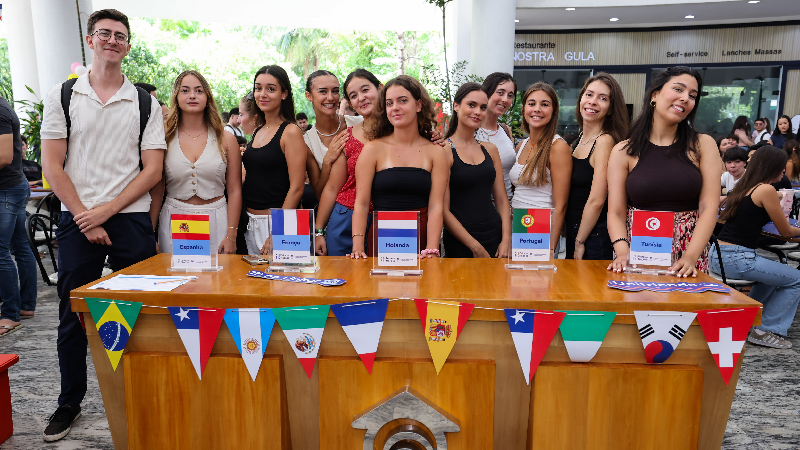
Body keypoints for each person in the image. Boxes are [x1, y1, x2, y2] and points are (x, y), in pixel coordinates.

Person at [40, 9, 166, 441]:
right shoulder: (62, 96)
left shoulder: (145, 102)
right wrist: (84, 215)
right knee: (73, 314)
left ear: (127, 47)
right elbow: (52, 167)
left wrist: (106, 211)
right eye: (105, 34)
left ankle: (145, 392)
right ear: (90, 41)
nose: (113, 41)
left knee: (145, 312)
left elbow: (151, 170)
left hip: (128, 218)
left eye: (121, 36)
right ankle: (68, 401)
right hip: (79, 217)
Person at [607, 66, 720, 277]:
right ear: (655, 95)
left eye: (692, 95)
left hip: (688, 254)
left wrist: (690, 256)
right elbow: (615, 212)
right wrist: (622, 251)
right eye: (678, 89)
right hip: (636, 252)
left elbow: (708, 208)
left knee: (685, 310)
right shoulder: (623, 151)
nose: (686, 98)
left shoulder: (703, 145)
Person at [349, 75, 447, 259]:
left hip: (422, 240)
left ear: (418, 106)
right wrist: (357, 246)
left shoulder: (436, 152)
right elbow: (361, 204)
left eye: (402, 101)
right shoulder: (372, 149)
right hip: (382, 238)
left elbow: (436, 206)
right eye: (389, 103)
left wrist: (432, 249)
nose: (395, 108)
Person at [713, 145, 800, 349]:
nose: (784, 171)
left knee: (771, 278)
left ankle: (747, 321)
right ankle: (768, 330)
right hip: (737, 258)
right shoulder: (766, 189)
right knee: (796, 279)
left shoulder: (744, 187)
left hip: (719, 256)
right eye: (781, 166)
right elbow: (786, 232)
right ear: (771, 166)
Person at [148, 70, 242, 255]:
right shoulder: (163, 137)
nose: (192, 95)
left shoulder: (226, 138)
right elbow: (157, 189)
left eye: (199, 91)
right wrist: (149, 234)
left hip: (216, 218)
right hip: (175, 218)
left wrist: (231, 235)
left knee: (216, 282)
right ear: (176, 96)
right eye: (185, 90)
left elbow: (234, 189)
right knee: (177, 280)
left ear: (207, 96)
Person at [314, 69, 381, 256]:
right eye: (353, 96)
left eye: (365, 90)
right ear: (350, 103)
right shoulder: (347, 138)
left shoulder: (401, 132)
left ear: (380, 89)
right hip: (346, 219)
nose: (361, 98)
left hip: (387, 220)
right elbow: (332, 188)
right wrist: (319, 230)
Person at [240, 65, 306, 255]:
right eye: (258, 88)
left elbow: (297, 187)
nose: (263, 94)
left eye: (271, 89)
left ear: (284, 94)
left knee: (286, 284)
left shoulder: (290, 131)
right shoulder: (259, 129)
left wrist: (277, 231)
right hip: (251, 223)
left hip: (279, 224)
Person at [442, 83, 510, 258]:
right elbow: (443, 209)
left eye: (482, 108)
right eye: (471, 105)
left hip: (494, 234)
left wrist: (506, 239)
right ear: (456, 106)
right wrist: (475, 247)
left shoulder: (490, 149)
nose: (477, 112)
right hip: (461, 240)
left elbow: (502, 201)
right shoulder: (444, 150)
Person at [566, 73, 628, 260]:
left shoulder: (605, 141)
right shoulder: (577, 142)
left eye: (602, 98)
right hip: (576, 229)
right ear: (581, 99)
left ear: (610, 109)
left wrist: (579, 241)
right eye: (589, 94)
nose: (593, 102)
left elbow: (597, 200)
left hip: (593, 235)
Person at [510, 82, 572, 256]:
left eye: (544, 104)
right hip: (517, 226)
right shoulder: (521, 145)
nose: (537, 109)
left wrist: (550, 248)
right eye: (532, 104)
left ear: (553, 112)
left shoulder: (558, 147)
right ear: (523, 109)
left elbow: (561, 206)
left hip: (541, 231)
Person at [0, 94, 37, 336]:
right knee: (20, 246)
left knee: (1, 250)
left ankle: (9, 314)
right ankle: (25, 306)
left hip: (7, 188)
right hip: (13, 186)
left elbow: (4, 157)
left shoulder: (0, 111)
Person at [476, 72, 518, 202]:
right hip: (479, 206)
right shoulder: (470, 131)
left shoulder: (506, 130)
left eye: (510, 96)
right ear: (487, 93)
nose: (505, 99)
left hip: (508, 205)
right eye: (500, 92)